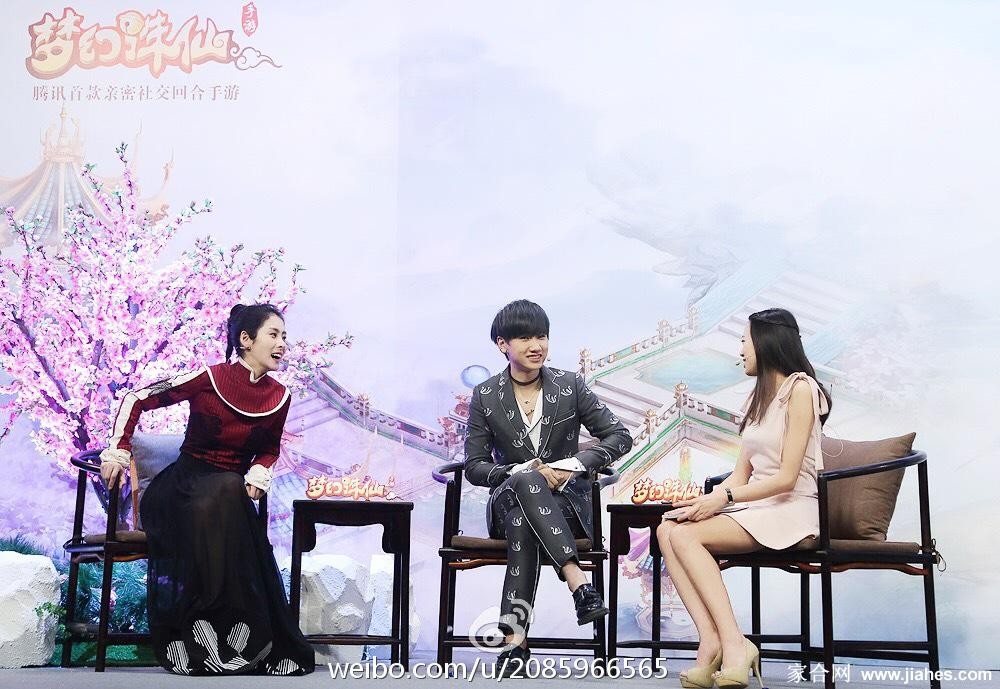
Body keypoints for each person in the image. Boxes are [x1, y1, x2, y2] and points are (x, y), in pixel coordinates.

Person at [99, 304, 314, 676]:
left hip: (227, 499)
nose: (282, 343)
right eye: (274, 335)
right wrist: (118, 450)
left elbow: (269, 449)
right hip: (179, 490)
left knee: (229, 489)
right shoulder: (208, 377)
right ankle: (213, 627)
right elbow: (137, 398)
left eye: (284, 336)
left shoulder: (279, 396)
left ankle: (219, 629)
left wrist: (259, 470)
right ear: (245, 340)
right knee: (229, 492)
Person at [654, 308, 832, 689]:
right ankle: (711, 640)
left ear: (766, 342)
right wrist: (705, 501)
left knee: (685, 536)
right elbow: (740, 474)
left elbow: (786, 478)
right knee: (667, 528)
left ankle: (734, 643)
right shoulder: (760, 397)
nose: (740, 350)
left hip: (792, 509)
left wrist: (725, 498)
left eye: (744, 341)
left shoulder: (801, 390)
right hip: (759, 506)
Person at [463, 299, 633, 675]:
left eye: (541, 336)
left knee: (523, 522)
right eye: (525, 338)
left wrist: (570, 466)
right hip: (508, 499)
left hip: (566, 507)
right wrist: (522, 471)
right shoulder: (486, 395)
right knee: (527, 480)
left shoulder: (570, 385)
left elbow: (620, 437)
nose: (536, 345)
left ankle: (514, 645)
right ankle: (578, 582)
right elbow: (474, 466)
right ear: (502, 344)